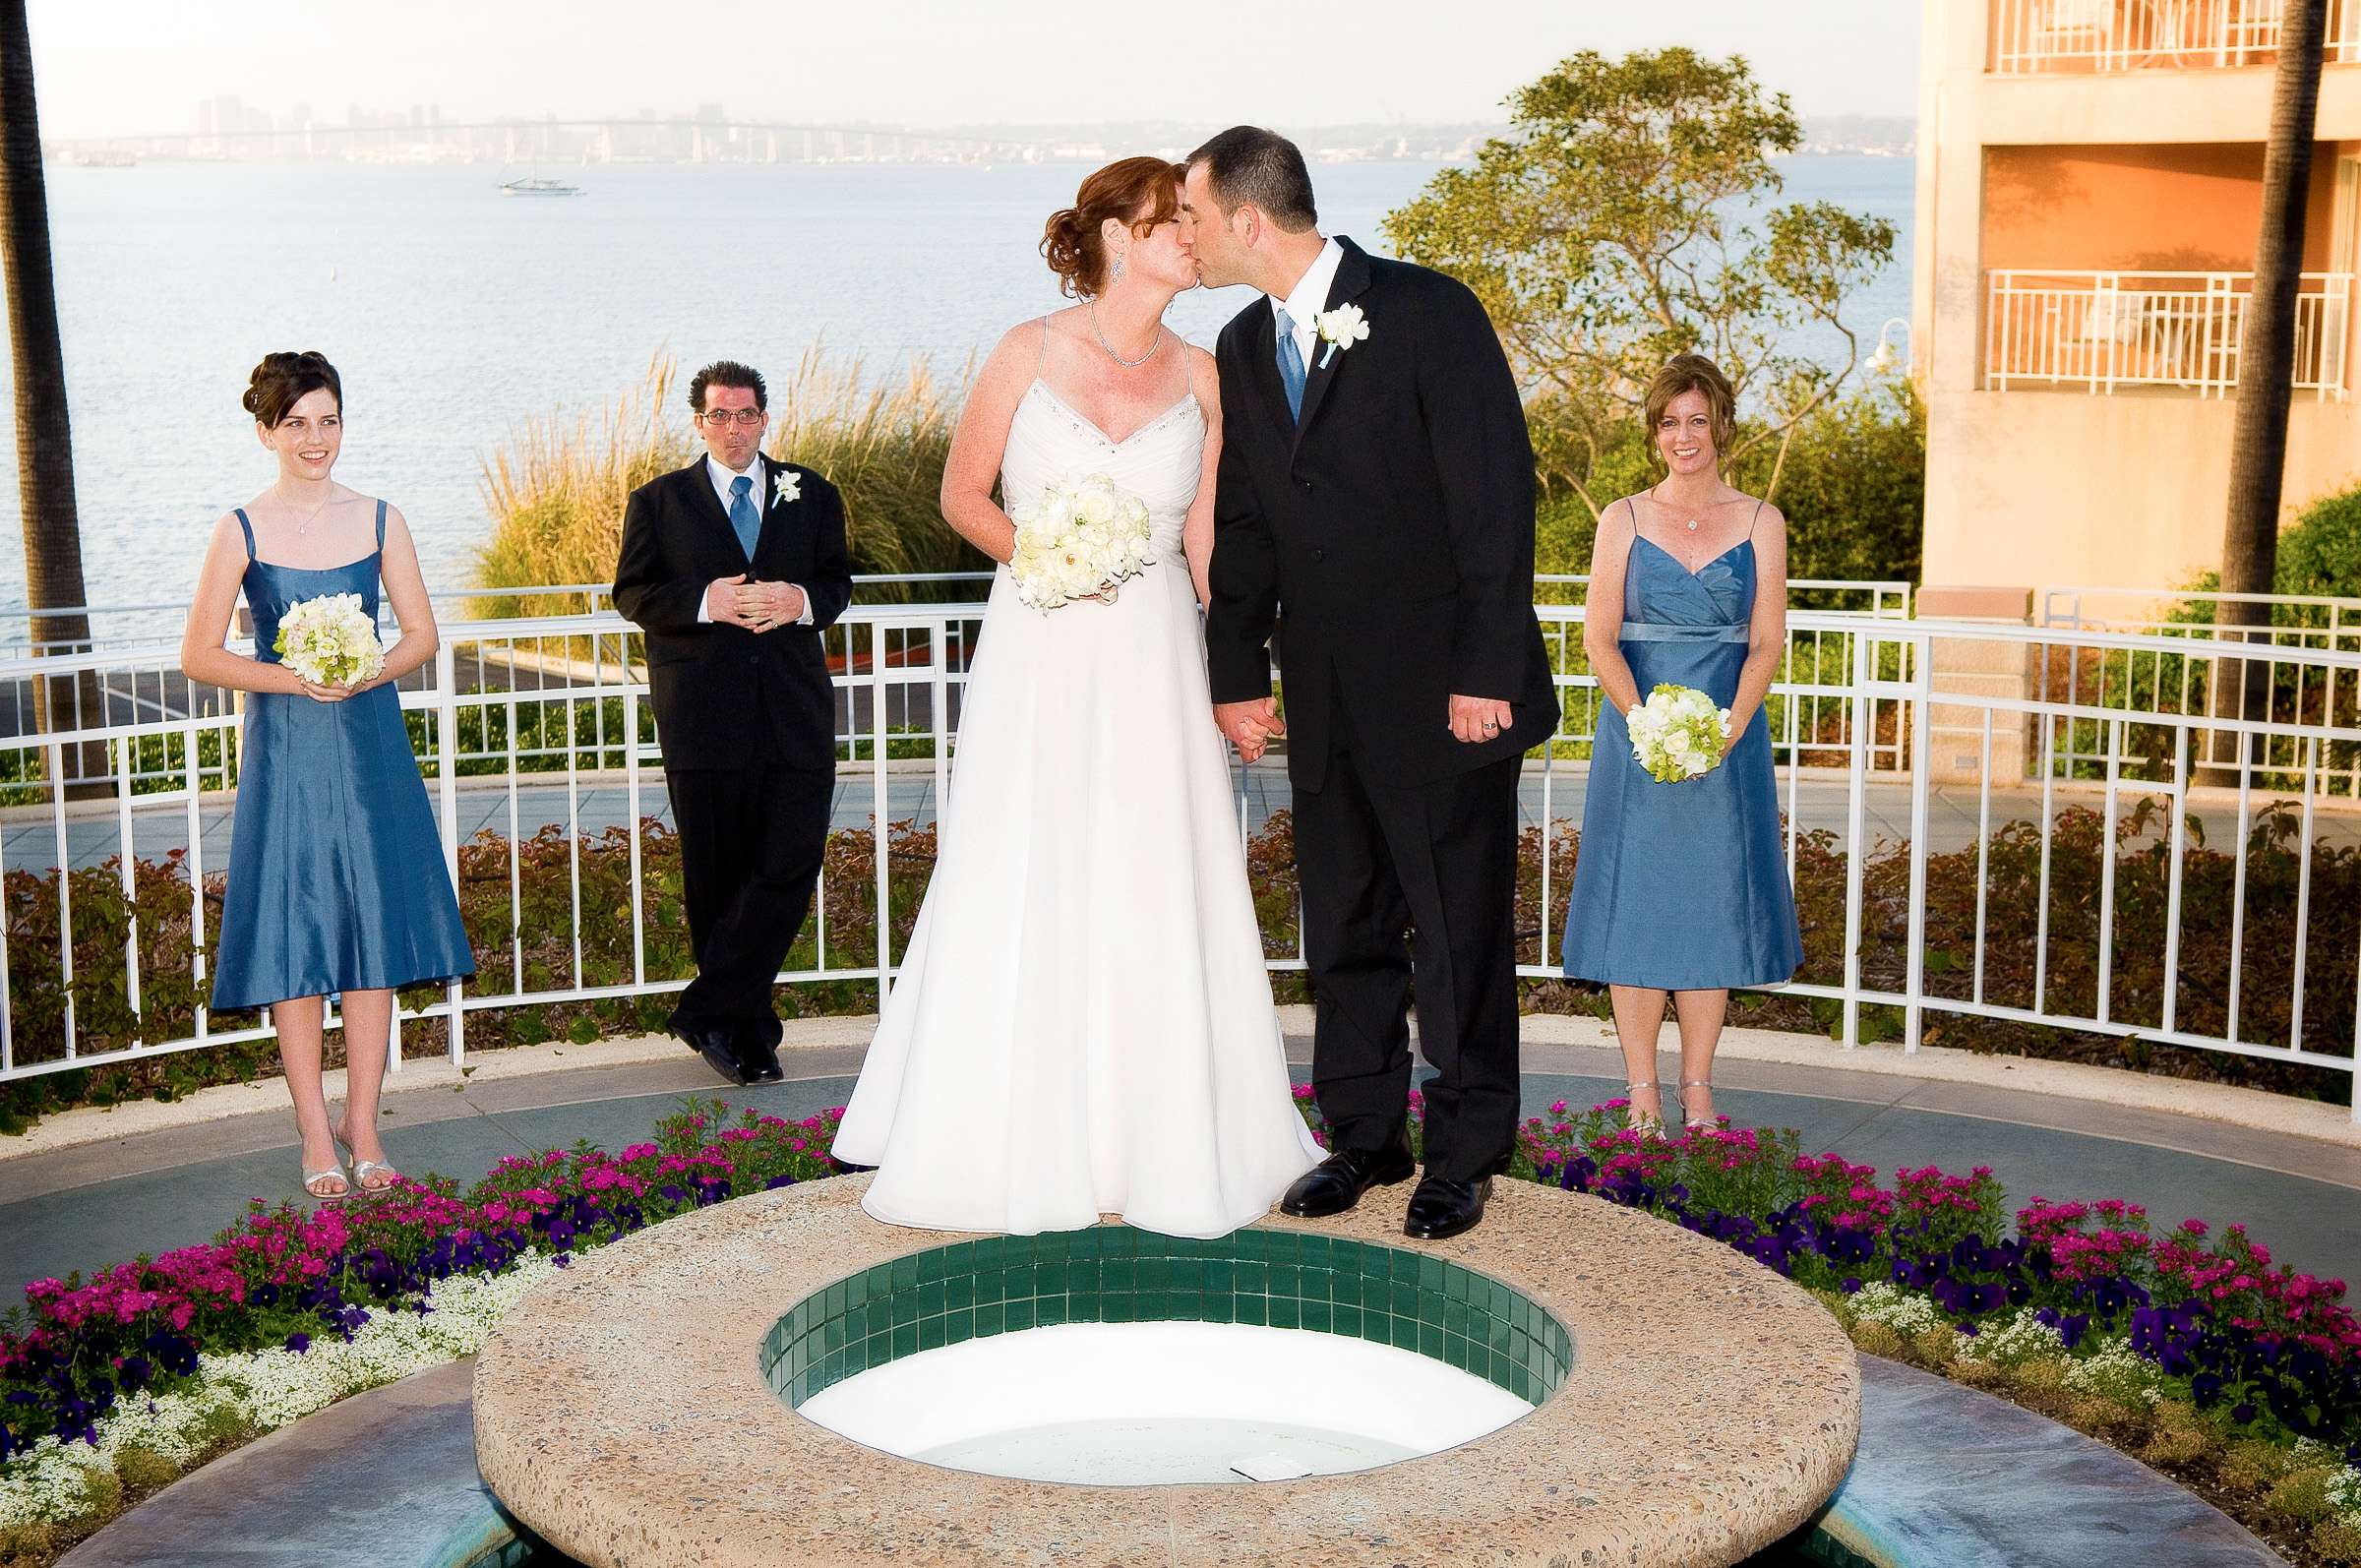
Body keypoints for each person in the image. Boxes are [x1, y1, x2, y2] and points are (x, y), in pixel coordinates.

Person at [834, 156, 1323, 1238]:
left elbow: (1205, 546)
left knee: (1156, 867)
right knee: (1030, 856)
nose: (1190, 240)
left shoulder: (1205, 376)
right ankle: (1005, 1132)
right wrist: (1043, 555)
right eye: (1169, 225)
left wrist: (1237, 678)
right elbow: (962, 494)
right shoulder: (1028, 351)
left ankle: (1164, 1137)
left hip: (1154, 653)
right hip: (1039, 645)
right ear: (1114, 235)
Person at [1184, 127, 1559, 1242]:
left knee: (1456, 935)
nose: (1189, 239)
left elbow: (1495, 495)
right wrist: (1238, 671)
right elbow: (1247, 519)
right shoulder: (1245, 344)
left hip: (1449, 692)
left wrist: (1485, 668)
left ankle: (1464, 1152)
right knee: (1343, 921)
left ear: (1249, 219)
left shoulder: (1429, 309)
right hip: (1328, 694)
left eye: (1196, 218)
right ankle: (1363, 1135)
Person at [179, 350, 474, 1199]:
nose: (317, 438)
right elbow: (199, 653)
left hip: (369, 742)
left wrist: (367, 667)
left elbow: (421, 634)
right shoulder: (240, 526)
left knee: (373, 939)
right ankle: (314, 1127)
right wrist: (291, 675)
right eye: (298, 422)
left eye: (330, 419)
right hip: (287, 755)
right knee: (297, 937)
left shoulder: (383, 517)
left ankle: (366, 1124)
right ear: (267, 430)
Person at [1560, 353, 1802, 1133]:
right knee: (1640, 907)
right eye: (1669, 422)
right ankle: (1640, 1090)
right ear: (1654, 432)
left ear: (1720, 425)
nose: (1683, 435)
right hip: (1637, 736)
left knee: (1710, 907)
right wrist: (1643, 721)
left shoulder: (1763, 522)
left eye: (1697, 420)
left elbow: (1766, 641)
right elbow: (1600, 639)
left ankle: (1698, 1087)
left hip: (1730, 738)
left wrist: (1729, 726)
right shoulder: (1622, 519)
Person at [612, 361, 853, 1087]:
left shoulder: (812, 493)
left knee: (790, 859)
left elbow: (837, 581)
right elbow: (632, 592)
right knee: (717, 877)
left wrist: (799, 602)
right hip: (702, 719)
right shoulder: (658, 502)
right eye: (720, 416)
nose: (735, 428)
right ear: (699, 423)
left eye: (747, 415)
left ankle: (704, 1009)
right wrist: (702, 601)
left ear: (765, 419)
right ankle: (747, 1034)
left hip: (793, 713)